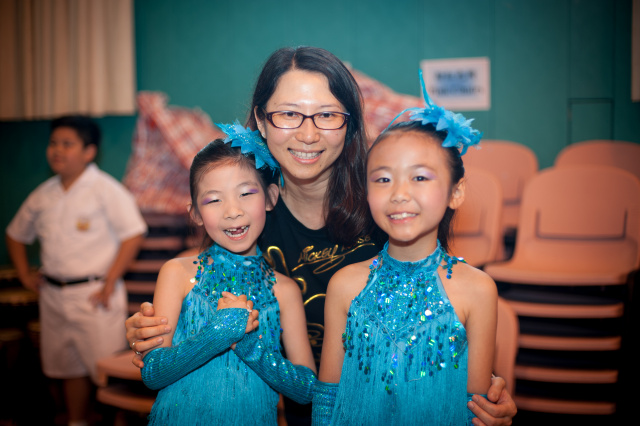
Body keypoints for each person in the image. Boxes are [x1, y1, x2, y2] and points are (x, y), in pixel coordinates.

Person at [125, 46, 517, 425]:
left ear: (349, 123)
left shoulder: (391, 208)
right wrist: (152, 330)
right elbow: (196, 309)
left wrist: (486, 400)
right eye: (289, 114)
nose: (308, 134)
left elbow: (437, 323)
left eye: (327, 115)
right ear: (261, 120)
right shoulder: (244, 215)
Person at [313, 75, 497, 424]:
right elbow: (327, 397)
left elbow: (477, 407)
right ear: (366, 193)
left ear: (456, 192)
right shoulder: (345, 284)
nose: (399, 194)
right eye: (383, 179)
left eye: (420, 177)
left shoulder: (478, 290)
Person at [140, 123, 316, 424]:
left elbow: (307, 388)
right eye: (214, 199)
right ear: (195, 213)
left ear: (270, 197)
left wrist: (248, 345)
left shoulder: (284, 289)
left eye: (246, 193)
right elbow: (154, 373)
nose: (232, 211)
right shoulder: (177, 273)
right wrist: (218, 333)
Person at [5, 115, 147, 426]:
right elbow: (15, 234)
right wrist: (25, 274)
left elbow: (134, 234)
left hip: (95, 295)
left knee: (104, 366)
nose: (57, 150)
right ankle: (77, 421)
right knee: (68, 369)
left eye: (67, 144)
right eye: (53, 143)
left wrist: (110, 281)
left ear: (89, 151)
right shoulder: (44, 194)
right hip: (53, 296)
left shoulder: (105, 189)